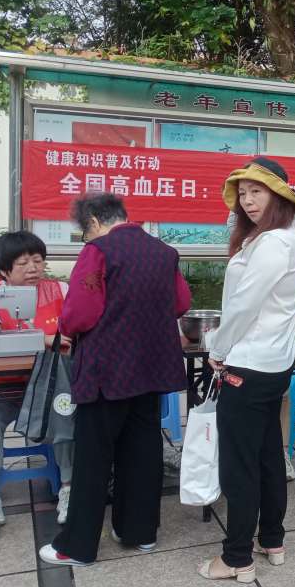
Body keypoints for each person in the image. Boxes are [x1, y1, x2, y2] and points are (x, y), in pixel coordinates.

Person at [39, 193, 191, 567]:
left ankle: (77, 547)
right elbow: (181, 303)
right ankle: (140, 532)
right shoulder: (163, 252)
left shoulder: (99, 251)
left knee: (93, 456)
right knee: (143, 449)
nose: (86, 237)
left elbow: (79, 314)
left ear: (93, 221)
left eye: (85, 231)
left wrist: (65, 328)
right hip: (152, 366)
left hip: (107, 368)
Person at [198, 158, 295, 583]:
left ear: (277, 193)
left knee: (240, 464)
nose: (246, 201)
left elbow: (244, 304)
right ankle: (272, 539)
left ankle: (236, 558)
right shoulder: (291, 233)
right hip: (274, 363)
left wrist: (218, 347)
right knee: (267, 455)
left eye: (256, 191)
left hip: (248, 365)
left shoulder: (274, 242)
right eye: (242, 193)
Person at [0, 231, 73, 530]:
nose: (33, 268)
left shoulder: (61, 290)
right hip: (1, 388)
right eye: (23, 263)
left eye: (37, 261)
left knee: (66, 413)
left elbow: (77, 329)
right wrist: (44, 339)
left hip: (50, 385)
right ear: (4, 271)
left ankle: (69, 488)